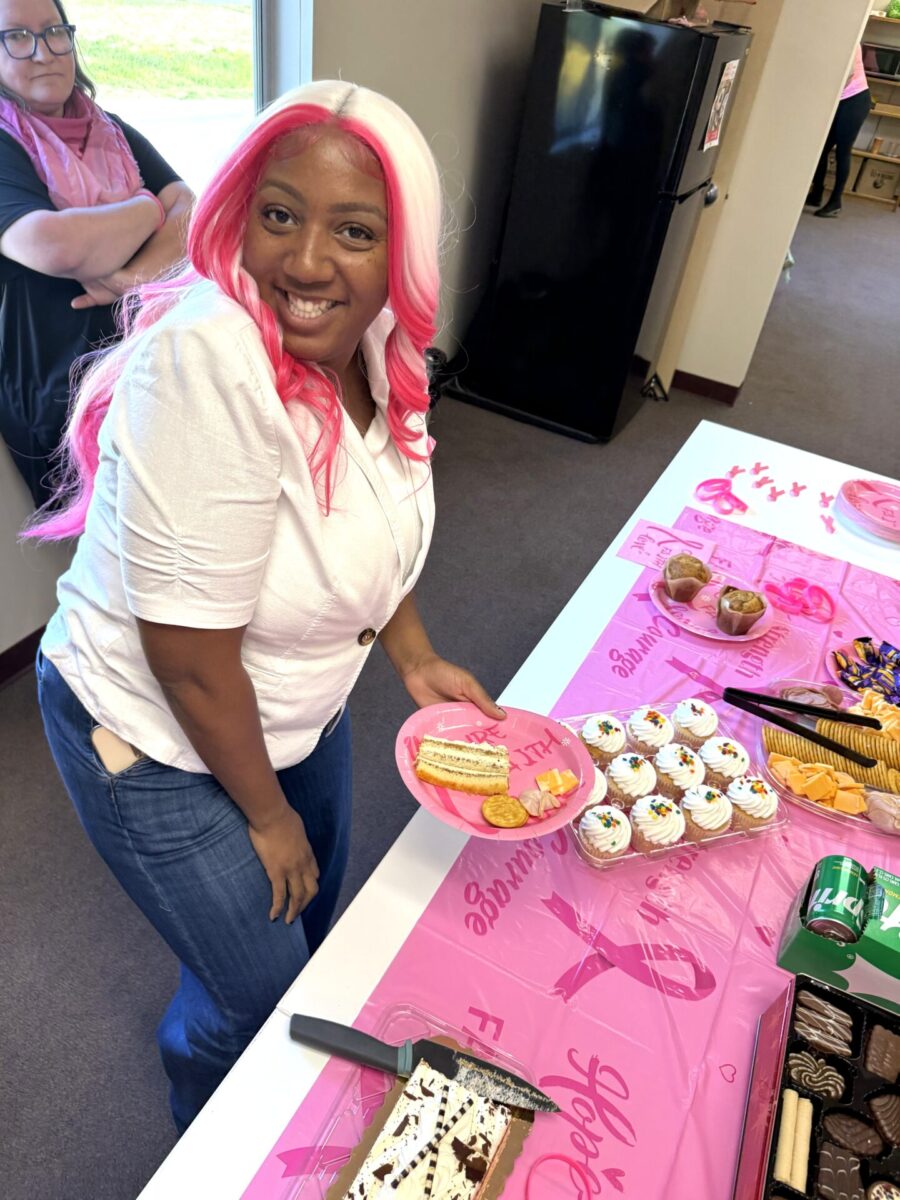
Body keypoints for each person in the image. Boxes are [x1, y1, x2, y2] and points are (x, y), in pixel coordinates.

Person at [29, 79, 505, 1132]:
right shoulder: (210, 365)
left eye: (355, 230)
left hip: (288, 700)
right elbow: (189, 658)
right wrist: (267, 815)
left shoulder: (375, 341)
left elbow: (372, 522)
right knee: (257, 994)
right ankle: (206, 1112)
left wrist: (411, 653)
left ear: (402, 250)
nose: (305, 261)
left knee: (303, 938)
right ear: (243, 210)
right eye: (280, 215)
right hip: (150, 733)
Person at [0, 0, 193, 504]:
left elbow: (193, 211)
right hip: (61, 398)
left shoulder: (108, 128)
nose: (43, 52)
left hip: (145, 368)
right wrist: (149, 208)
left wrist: (131, 278)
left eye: (54, 32)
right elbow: (53, 244)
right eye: (17, 36)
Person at [807, 43, 872, 218]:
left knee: (843, 151)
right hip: (838, 101)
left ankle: (836, 201)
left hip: (855, 99)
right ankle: (816, 193)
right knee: (821, 148)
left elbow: (849, 74)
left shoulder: (851, 38)